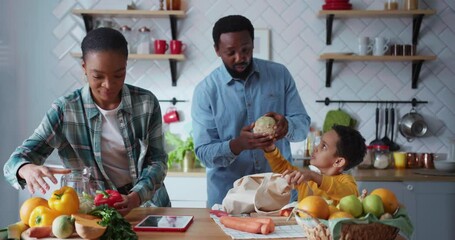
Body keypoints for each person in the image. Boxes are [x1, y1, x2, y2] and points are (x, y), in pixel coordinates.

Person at [3, 27, 170, 216]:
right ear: (84, 68)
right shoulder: (65, 110)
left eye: (118, 75)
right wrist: (25, 169)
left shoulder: (146, 102)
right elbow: (14, 162)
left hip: (147, 208)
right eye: (98, 76)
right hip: (92, 214)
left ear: (126, 65)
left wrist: (136, 196)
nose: (108, 85)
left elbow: (158, 160)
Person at [191, 15, 311, 208]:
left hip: (280, 194)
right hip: (229, 199)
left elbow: (303, 126)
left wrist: (286, 126)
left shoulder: (280, 75)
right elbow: (204, 153)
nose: (240, 58)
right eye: (231, 52)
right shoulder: (206, 91)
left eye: (245, 50)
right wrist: (237, 145)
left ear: (253, 44)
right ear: (217, 50)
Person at [263, 125, 367, 205]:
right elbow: (283, 168)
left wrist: (314, 176)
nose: (316, 147)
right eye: (319, 143)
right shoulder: (307, 178)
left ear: (338, 162)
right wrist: (270, 149)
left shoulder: (346, 181)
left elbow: (350, 194)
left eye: (324, 146)